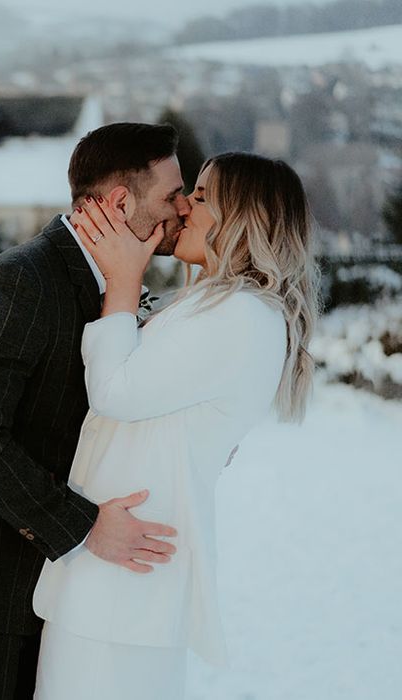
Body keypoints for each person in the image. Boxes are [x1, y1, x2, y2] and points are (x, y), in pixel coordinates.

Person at [0, 123, 192, 699]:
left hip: (58, 594)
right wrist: (86, 527)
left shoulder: (121, 289)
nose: (184, 206)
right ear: (121, 202)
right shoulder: (18, 282)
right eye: (171, 195)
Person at [32, 152, 320, 699]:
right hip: (113, 575)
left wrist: (122, 278)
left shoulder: (240, 315)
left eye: (204, 196)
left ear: (244, 219)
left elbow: (115, 392)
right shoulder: (218, 306)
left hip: (128, 584)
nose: (185, 204)